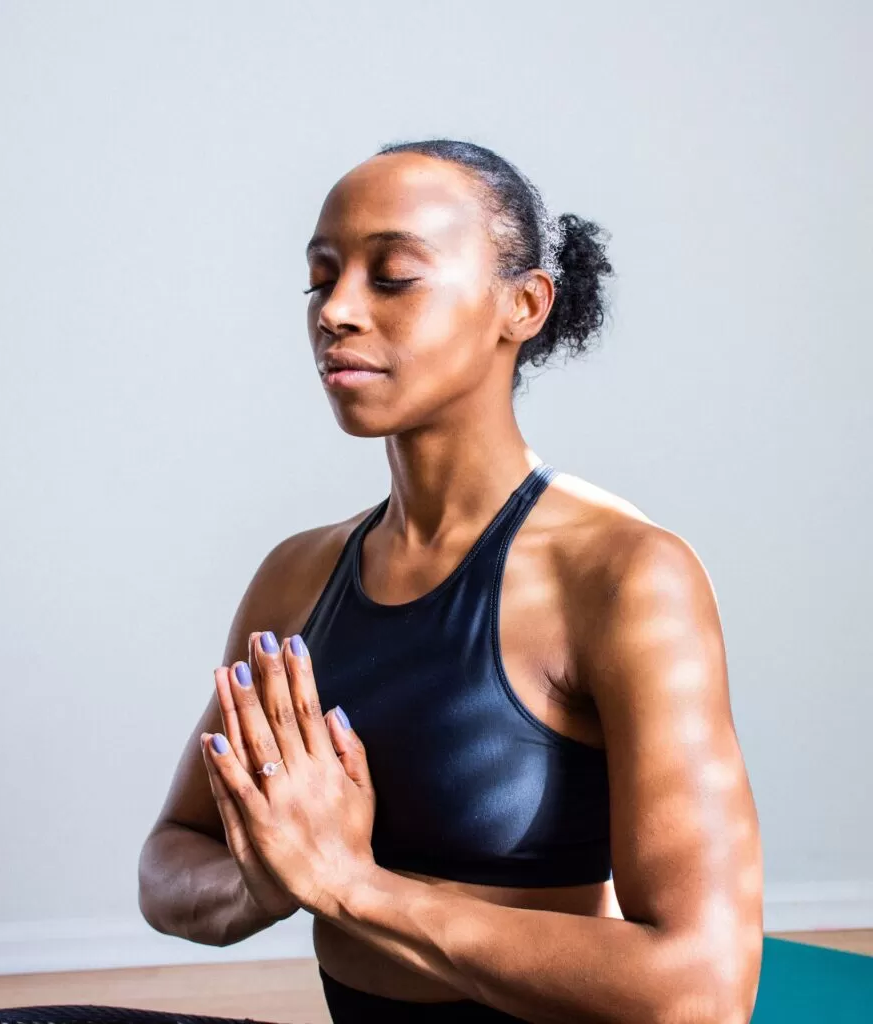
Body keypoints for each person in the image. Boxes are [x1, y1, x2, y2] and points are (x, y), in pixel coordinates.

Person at [137, 138, 764, 1024]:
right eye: (322, 279)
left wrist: (355, 889)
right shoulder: (296, 576)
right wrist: (267, 881)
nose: (337, 311)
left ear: (523, 304)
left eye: (391, 276)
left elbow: (701, 988)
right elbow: (170, 858)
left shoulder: (626, 577)